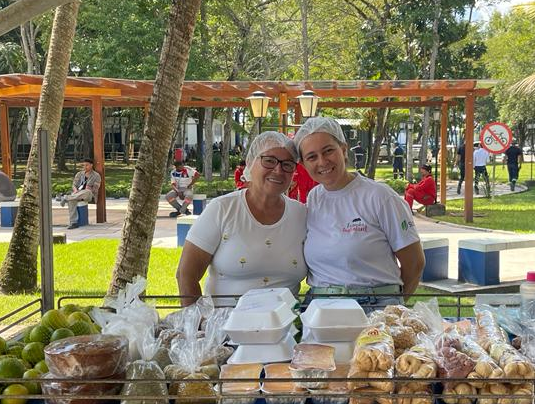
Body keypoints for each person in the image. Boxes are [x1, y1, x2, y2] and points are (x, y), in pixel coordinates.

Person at [295, 117, 425, 310]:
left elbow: (414, 263)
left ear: (344, 150)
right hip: (319, 309)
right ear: (304, 164)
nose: (322, 162)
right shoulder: (314, 198)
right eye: (312, 157)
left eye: (328, 150)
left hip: (373, 307)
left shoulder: (380, 197)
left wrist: (391, 307)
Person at [176, 131, 307, 307]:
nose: (278, 170)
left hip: (286, 328)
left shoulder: (301, 215)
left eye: (288, 164)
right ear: (251, 163)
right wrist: (198, 324)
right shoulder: (222, 209)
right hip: (225, 327)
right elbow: (186, 274)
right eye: (269, 160)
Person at [59, 157, 101, 229]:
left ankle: (65, 197)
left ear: (91, 165)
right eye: (83, 165)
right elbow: (74, 185)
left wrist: (90, 188)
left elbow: (96, 188)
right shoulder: (79, 174)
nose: (85, 167)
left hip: (88, 194)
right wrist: (75, 190)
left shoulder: (96, 175)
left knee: (87, 191)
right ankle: (73, 223)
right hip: (77, 193)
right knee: (71, 200)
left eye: (87, 165)